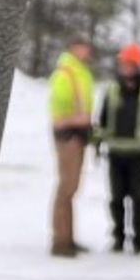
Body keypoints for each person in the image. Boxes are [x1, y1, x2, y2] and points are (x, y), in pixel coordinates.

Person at [95, 42, 140, 254]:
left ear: (138, 66)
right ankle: (118, 237)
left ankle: (139, 239)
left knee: (138, 198)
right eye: (123, 64)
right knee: (116, 198)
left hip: (139, 155)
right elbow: (103, 119)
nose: (125, 68)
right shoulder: (112, 88)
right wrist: (98, 143)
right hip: (115, 153)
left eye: (129, 64)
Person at [48, 38, 95, 257]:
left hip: (79, 135)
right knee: (66, 188)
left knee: (72, 188)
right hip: (69, 137)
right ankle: (60, 240)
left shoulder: (80, 73)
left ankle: (68, 237)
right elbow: (58, 113)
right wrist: (75, 124)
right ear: (73, 48)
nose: (87, 51)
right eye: (83, 47)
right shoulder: (66, 74)